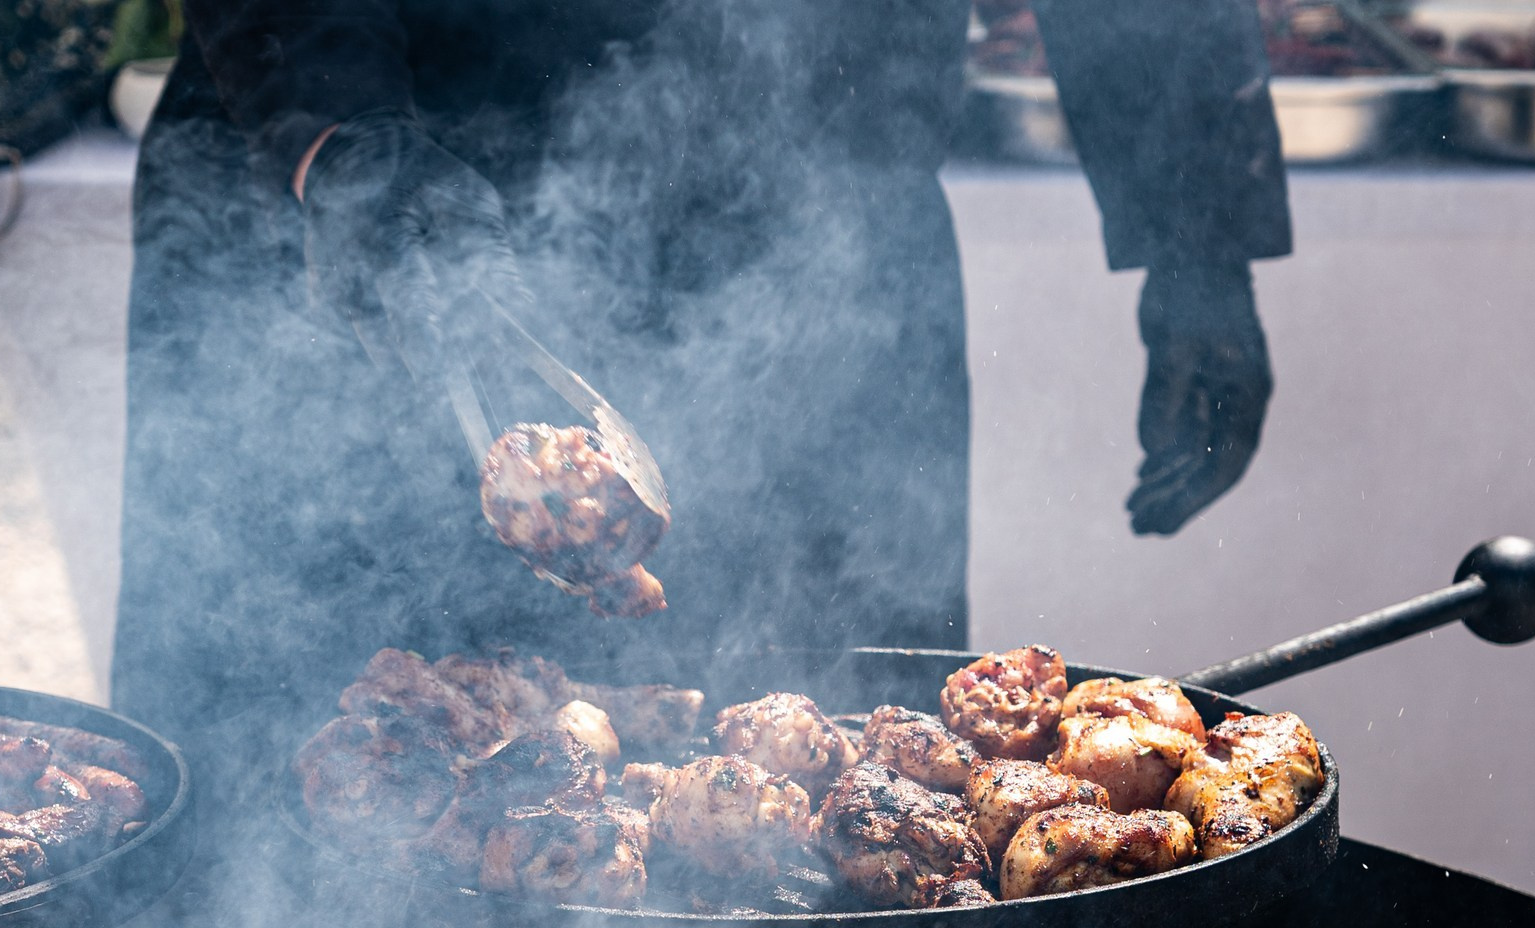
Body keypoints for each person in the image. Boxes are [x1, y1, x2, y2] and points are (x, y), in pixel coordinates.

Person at [113, 0, 1291, 784]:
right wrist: (336, 136)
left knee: (836, 782)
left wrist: (1196, 229)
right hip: (383, 172)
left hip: (820, 205)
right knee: (330, 801)